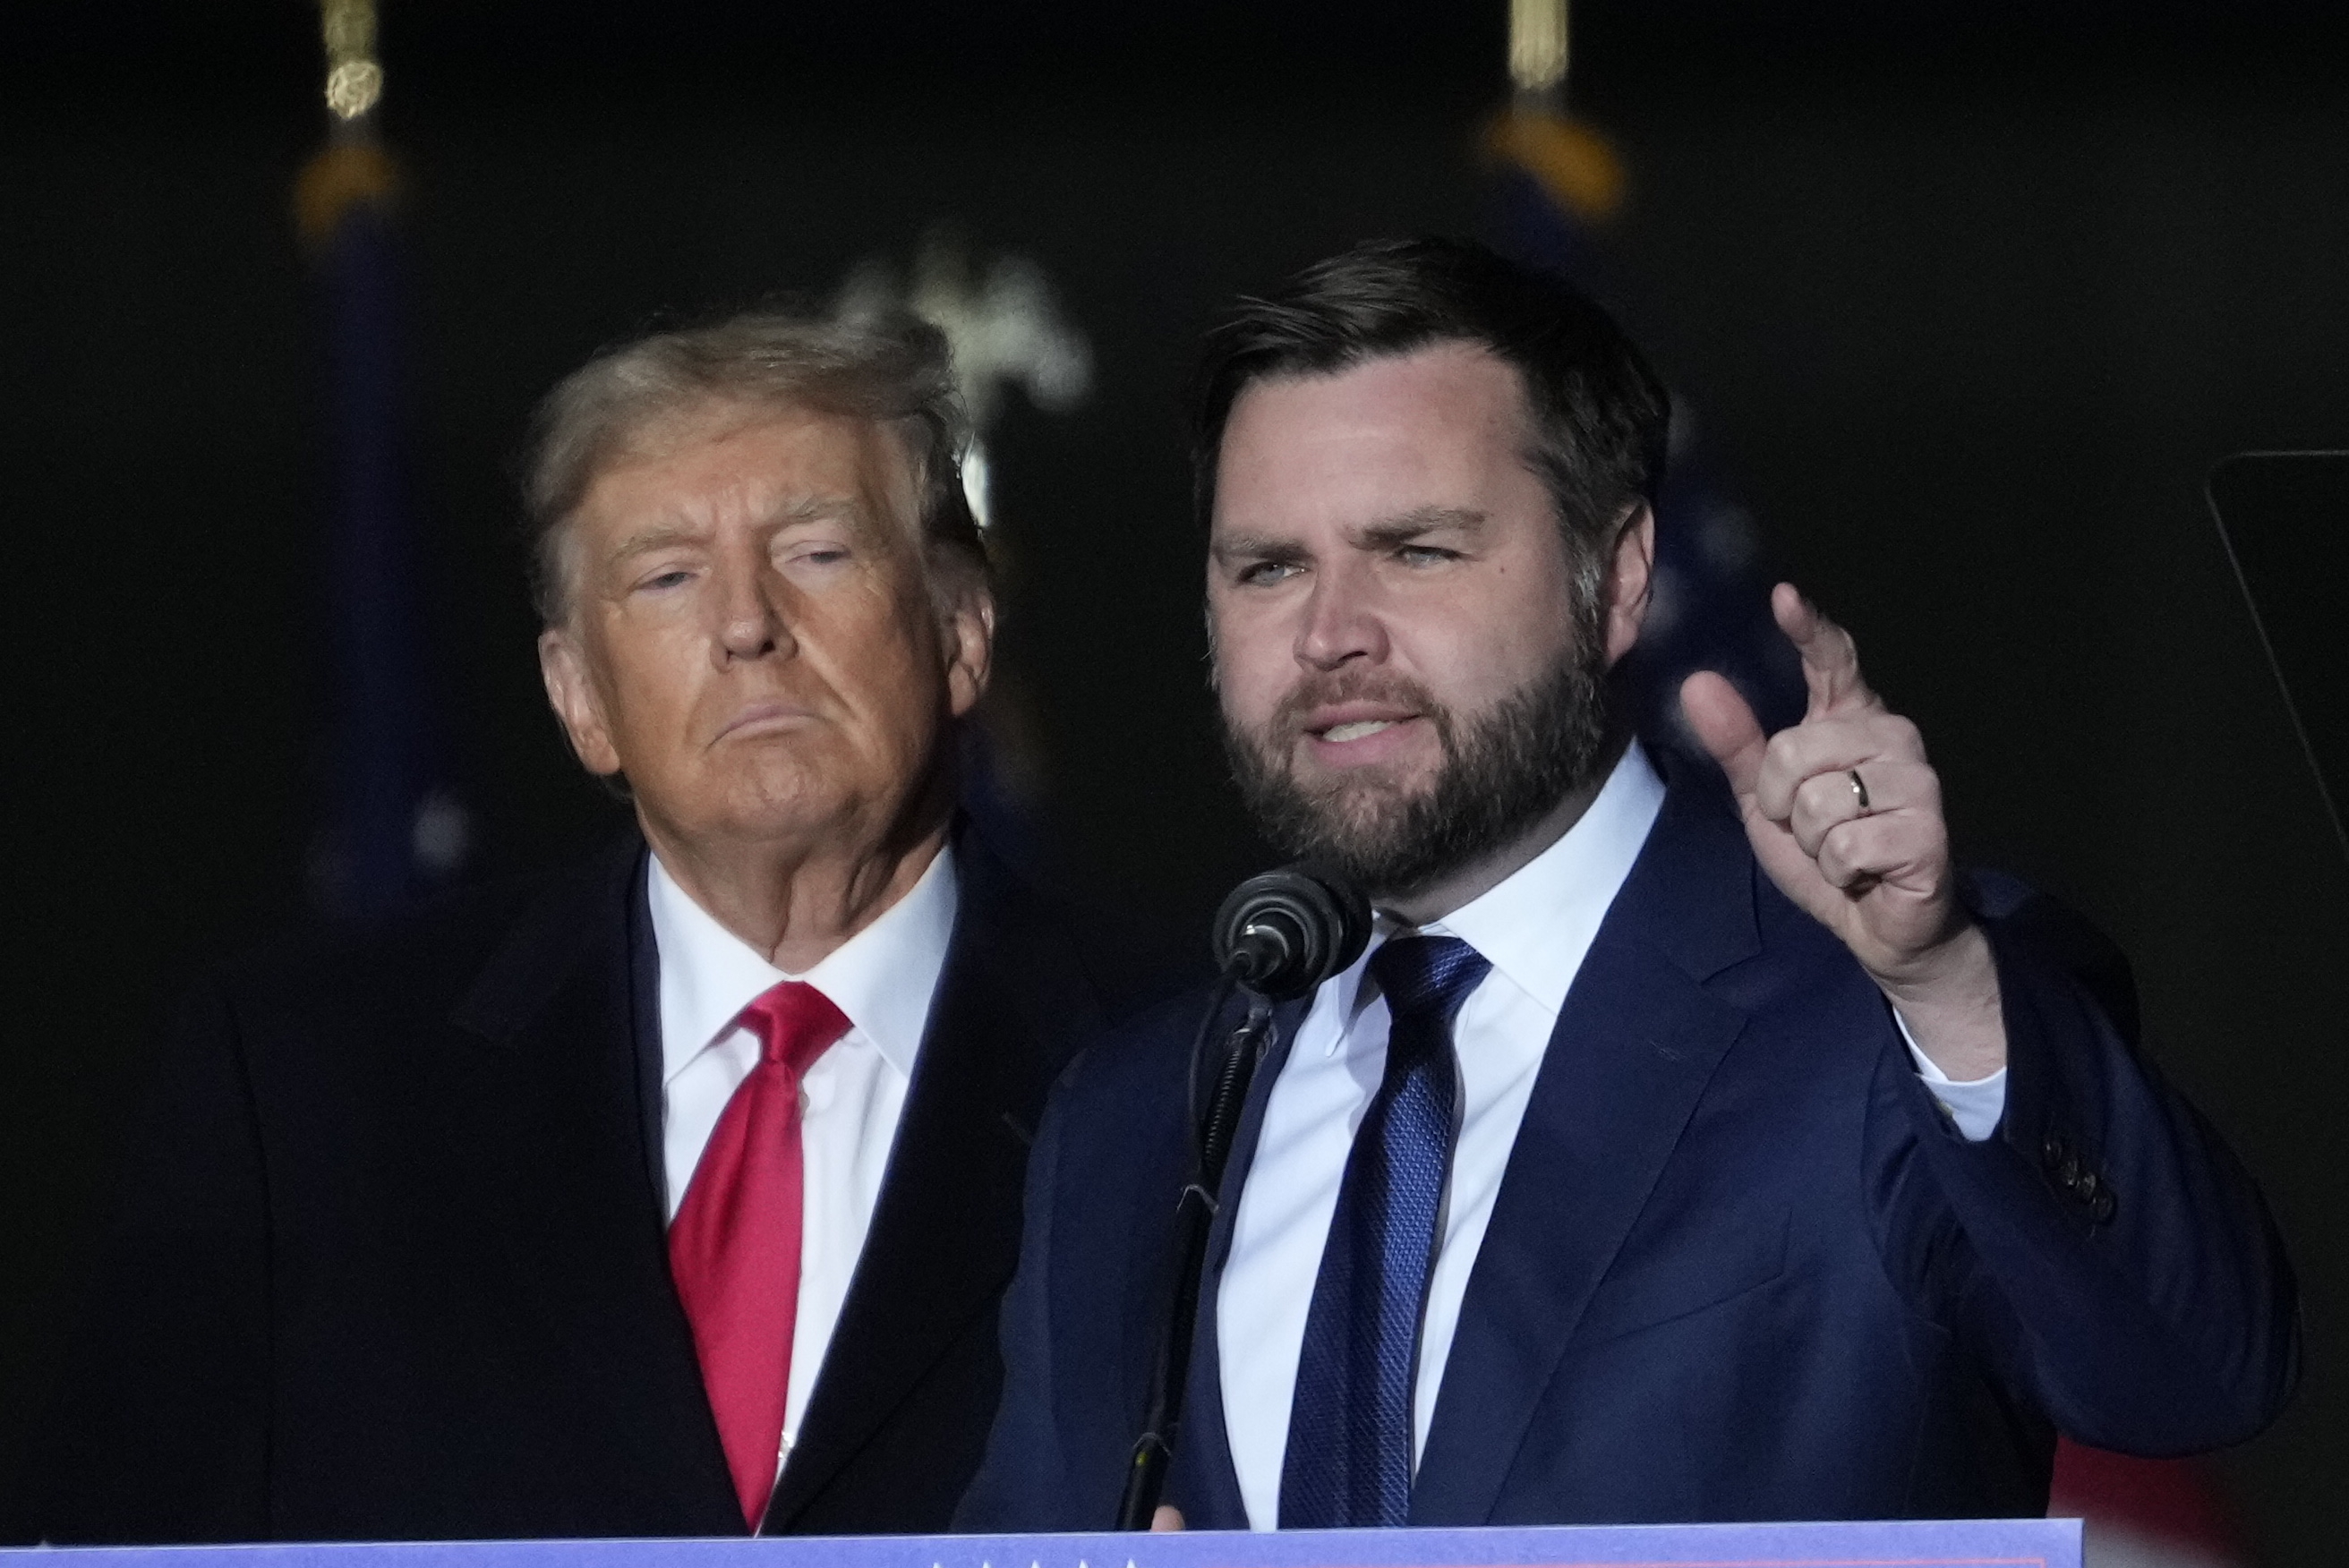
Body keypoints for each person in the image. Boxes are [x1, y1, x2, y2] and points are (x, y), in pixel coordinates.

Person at [957, 238, 2299, 1531]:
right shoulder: (1134, 1122)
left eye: (1417, 549)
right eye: (1269, 568)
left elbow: (2192, 1367)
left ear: (1620, 582)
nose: (1330, 635)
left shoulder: (1887, 1014)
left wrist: (1942, 985)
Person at [38, 307, 1155, 1542]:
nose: (747, 624)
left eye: (819, 551)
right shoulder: (301, 1084)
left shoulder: (1191, 1073)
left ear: (959, 634)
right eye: (668, 577)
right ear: (580, 701)